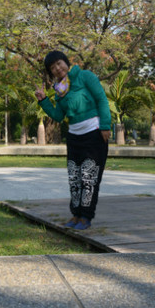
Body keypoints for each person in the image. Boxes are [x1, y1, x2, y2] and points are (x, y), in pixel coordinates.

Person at [34, 50, 111, 231]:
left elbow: (101, 99)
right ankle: (76, 214)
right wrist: (44, 101)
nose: (57, 69)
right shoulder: (60, 90)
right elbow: (58, 116)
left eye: (59, 64)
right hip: (74, 137)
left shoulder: (85, 76)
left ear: (66, 62)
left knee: (89, 177)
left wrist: (106, 126)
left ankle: (86, 216)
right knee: (75, 177)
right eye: (53, 68)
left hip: (94, 134)